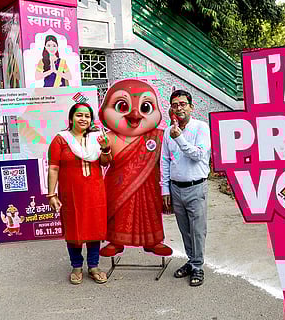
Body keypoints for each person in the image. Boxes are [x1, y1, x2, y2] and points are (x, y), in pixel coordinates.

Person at [98, 79, 172, 257]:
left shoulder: (158, 136)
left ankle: (152, 241)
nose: (135, 115)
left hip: (149, 184)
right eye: (122, 106)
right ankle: (115, 241)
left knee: (149, 211)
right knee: (119, 211)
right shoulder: (107, 137)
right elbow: (103, 162)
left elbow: (172, 157)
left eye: (145, 108)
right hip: (118, 185)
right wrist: (106, 149)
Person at [47, 103, 112, 285]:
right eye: (79, 115)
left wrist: (106, 148)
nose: (83, 119)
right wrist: (51, 195)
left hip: (95, 192)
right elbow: (53, 168)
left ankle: (93, 266)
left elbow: (105, 163)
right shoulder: (61, 139)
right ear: (71, 118)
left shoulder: (97, 138)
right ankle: (76, 266)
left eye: (87, 116)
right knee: (73, 227)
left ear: (91, 120)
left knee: (94, 227)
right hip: (71, 193)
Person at [161, 89, 211, 286]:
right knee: (184, 229)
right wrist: (165, 189)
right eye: (175, 105)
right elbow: (165, 161)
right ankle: (192, 261)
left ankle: (198, 266)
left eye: (183, 104)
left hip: (196, 187)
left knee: (198, 229)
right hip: (176, 188)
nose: (179, 108)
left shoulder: (201, 127)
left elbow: (198, 154)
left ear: (191, 107)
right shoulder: (167, 131)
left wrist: (179, 138)